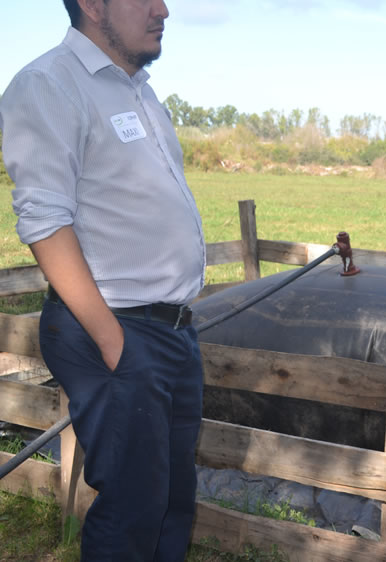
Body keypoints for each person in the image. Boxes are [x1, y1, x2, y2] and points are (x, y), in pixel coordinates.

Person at [0, 1, 206, 559]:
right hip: (114, 328)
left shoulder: (138, 89)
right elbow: (44, 221)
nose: (164, 8)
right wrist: (114, 342)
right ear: (93, 5)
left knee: (172, 497)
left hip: (170, 331)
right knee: (134, 507)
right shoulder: (49, 84)